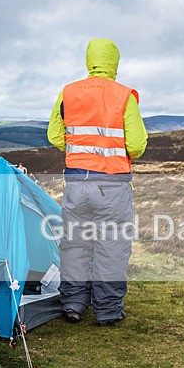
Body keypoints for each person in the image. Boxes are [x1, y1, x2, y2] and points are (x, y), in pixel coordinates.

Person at [47, 38, 148, 326]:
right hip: (112, 186)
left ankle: (73, 304)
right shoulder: (123, 96)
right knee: (111, 246)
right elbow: (137, 144)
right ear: (114, 61)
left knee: (75, 244)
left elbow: (55, 136)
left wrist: (81, 150)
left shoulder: (68, 93)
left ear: (89, 60)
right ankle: (107, 310)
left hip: (76, 184)